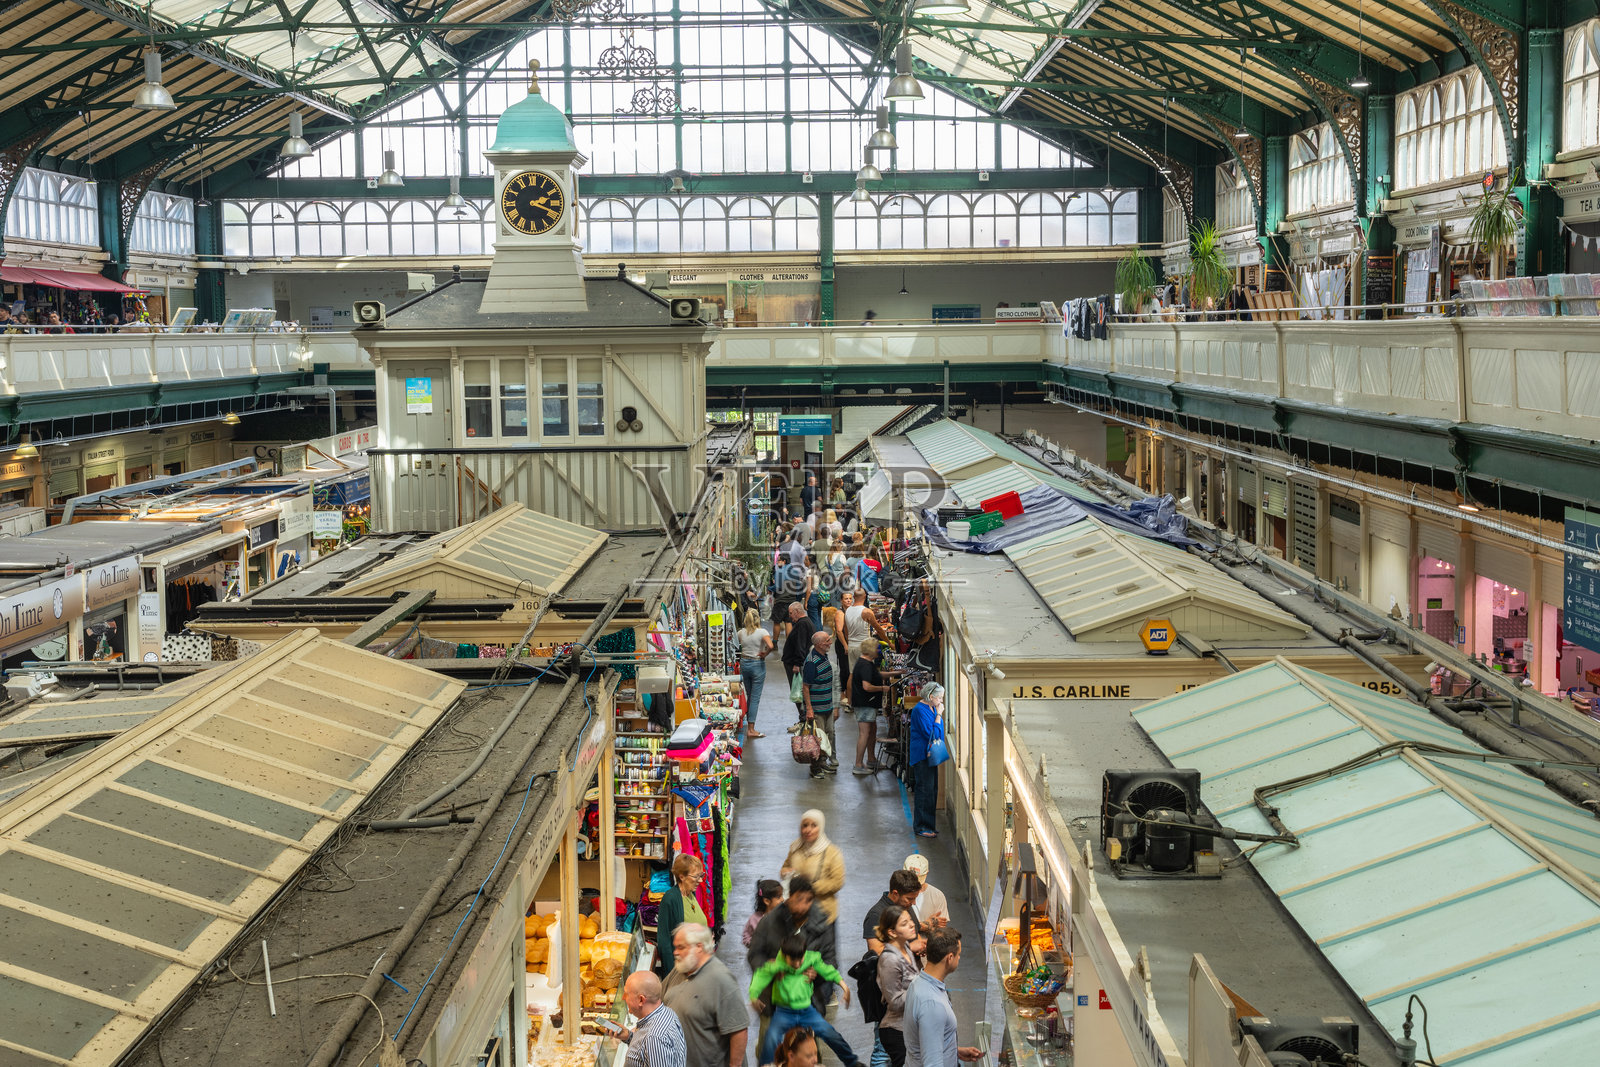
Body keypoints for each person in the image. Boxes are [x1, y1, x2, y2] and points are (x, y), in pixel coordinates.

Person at [749, 934, 860, 1067]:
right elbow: (760, 977)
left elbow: (828, 971)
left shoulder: (811, 959)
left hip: (807, 1011)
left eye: (800, 960)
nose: (797, 964)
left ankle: (852, 1062)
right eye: (792, 960)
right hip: (784, 1012)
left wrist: (844, 987)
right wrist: (753, 996)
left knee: (830, 1034)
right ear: (784, 956)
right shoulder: (777, 964)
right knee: (771, 1038)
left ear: (804, 954)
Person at [662, 922, 748, 1067]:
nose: (675, 952)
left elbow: (739, 1030)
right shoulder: (680, 969)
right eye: (675, 947)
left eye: (681, 947)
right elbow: (659, 998)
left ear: (699, 947)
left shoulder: (721, 980)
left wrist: (734, 1065)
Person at [903, 929, 981, 1066]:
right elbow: (932, 1063)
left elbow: (928, 1041)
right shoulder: (932, 1004)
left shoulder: (918, 983)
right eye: (958, 954)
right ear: (949, 958)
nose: (959, 958)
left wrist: (954, 1051)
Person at [875, 905, 925, 1067]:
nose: (912, 924)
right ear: (892, 932)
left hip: (909, 1026)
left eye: (910, 920)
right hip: (896, 1030)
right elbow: (895, 1002)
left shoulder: (906, 949)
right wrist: (923, 986)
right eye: (904, 923)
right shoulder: (890, 960)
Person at [781, 809, 845, 925]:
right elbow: (785, 867)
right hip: (796, 913)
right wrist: (785, 872)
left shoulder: (832, 852)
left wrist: (810, 888)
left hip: (823, 915)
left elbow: (837, 882)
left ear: (821, 827)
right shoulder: (795, 848)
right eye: (805, 825)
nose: (808, 830)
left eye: (814, 825)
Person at [619, 971, 688, 1067]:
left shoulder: (654, 1038)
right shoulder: (667, 1012)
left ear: (641, 1000)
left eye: (626, 994)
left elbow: (653, 1044)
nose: (623, 997)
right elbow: (645, 1053)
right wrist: (629, 1037)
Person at [655, 854, 706, 976]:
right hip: (682, 971)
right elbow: (664, 941)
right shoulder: (670, 899)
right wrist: (672, 975)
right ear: (682, 876)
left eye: (701, 875)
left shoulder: (691, 894)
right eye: (696, 876)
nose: (700, 880)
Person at [908, 683, 946, 838]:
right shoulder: (920, 710)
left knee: (932, 790)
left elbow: (938, 732)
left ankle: (929, 825)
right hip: (922, 756)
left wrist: (937, 715)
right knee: (924, 790)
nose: (941, 701)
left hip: (931, 755)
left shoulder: (932, 708)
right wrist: (939, 715)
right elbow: (932, 734)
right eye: (940, 698)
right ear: (931, 697)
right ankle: (921, 826)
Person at [801, 630, 838, 778]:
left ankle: (822, 762)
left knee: (828, 736)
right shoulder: (811, 662)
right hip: (817, 708)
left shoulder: (824, 657)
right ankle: (815, 767)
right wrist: (809, 709)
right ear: (819, 644)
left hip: (827, 706)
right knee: (817, 738)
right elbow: (805, 687)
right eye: (827, 640)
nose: (830, 643)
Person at [862, 870, 923, 953]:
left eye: (915, 898)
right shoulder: (876, 915)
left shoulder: (905, 906)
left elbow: (916, 934)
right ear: (895, 893)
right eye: (910, 898)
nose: (914, 903)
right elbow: (877, 951)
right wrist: (910, 947)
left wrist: (921, 945)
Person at [737, 608, 773, 739]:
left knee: (750, 695)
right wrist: (765, 653)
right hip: (757, 664)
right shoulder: (762, 632)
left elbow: (737, 645)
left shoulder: (741, 633)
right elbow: (770, 646)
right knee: (755, 698)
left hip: (744, 663)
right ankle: (751, 729)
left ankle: (748, 724)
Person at [782, 601, 817, 721]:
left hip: (796, 664)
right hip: (796, 662)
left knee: (798, 691)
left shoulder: (802, 624)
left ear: (797, 612)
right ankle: (803, 716)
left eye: (791, 613)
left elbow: (800, 645)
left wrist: (797, 663)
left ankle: (804, 717)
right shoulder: (804, 622)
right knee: (798, 690)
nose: (790, 616)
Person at [901, 855, 950, 930]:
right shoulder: (898, 895)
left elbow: (941, 927)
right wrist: (929, 924)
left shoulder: (937, 895)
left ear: (927, 873)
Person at [744, 879, 785, 948]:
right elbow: (747, 935)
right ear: (767, 901)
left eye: (782, 895)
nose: (782, 899)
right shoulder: (754, 919)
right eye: (779, 897)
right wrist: (754, 944)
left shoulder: (784, 915)